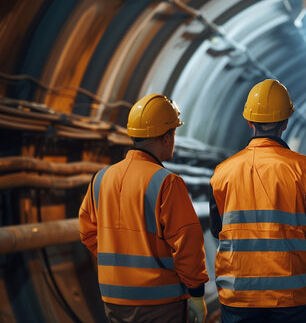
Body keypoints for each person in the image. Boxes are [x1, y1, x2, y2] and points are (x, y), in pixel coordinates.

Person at [209, 79, 306, 323]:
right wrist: (295, 248)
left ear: (249, 121)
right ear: (286, 122)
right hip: (293, 292)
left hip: (239, 292)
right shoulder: (304, 168)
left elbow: (218, 229)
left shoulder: (222, 172)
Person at [79, 94, 209, 323]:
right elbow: (187, 241)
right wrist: (197, 293)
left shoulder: (101, 179)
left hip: (114, 299)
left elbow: (87, 232)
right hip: (159, 302)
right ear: (167, 137)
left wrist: (119, 268)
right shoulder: (166, 182)